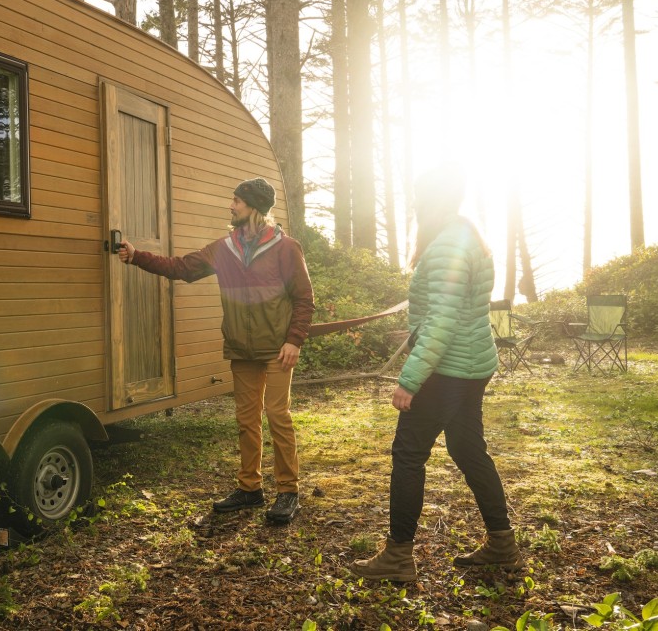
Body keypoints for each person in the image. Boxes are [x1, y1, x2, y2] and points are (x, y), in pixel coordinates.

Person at [351, 164, 524, 582]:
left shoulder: (448, 244)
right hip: (471, 365)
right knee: (468, 449)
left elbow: (442, 320)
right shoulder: (465, 236)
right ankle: (503, 545)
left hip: (447, 370)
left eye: (418, 197)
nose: (414, 204)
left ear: (430, 200)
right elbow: (454, 312)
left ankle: (397, 556)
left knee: (408, 454)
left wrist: (410, 379)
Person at [117, 177, 314, 524]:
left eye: (237, 201)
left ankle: (288, 491)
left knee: (277, 416)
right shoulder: (225, 248)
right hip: (241, 348)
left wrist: (294, 340)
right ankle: (250, 488)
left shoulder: (286, 248)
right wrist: (136, 257)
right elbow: (181, 268)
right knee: (246, 421)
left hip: (277, 348)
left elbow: (304, 298)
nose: (231, 206)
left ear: (254, 207)